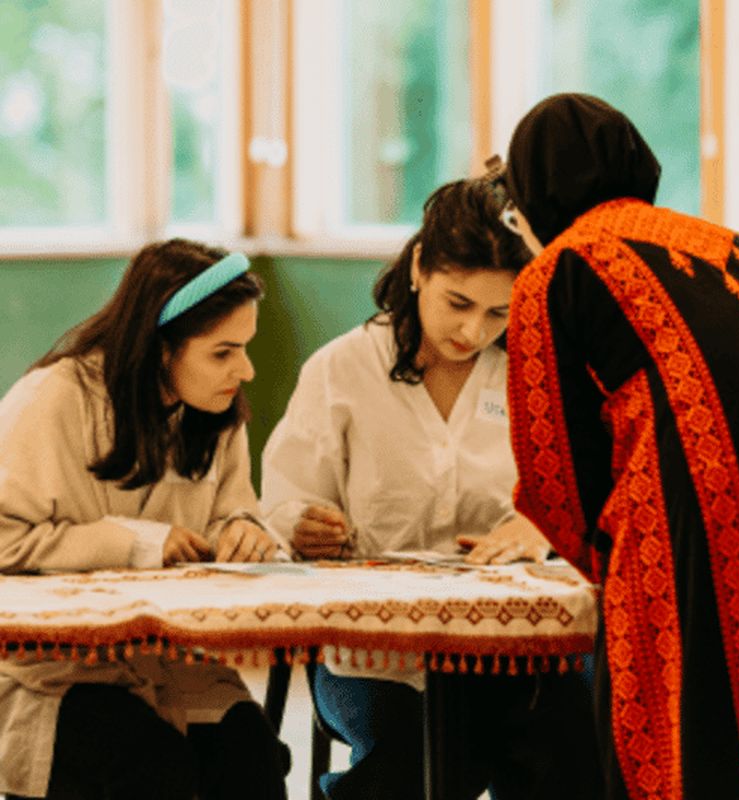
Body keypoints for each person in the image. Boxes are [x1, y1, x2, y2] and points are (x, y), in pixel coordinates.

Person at [502, 92, 739, 799]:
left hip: (687, 517)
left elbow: (553, 467)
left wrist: (602, 559)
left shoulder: (558, 269)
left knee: (680, 733)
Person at [260, 178, 599, 799]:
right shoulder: (342, 371)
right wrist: (298, 522)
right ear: (419, 267)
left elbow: (581, 497)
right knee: (423, 752)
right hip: (373, 652)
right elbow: (279, 504)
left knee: (568, 738)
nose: (474, 331)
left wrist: (539, 524)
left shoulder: (533, 374)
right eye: (458, 302)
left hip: (510, 643)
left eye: (500, 312)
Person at [0, 239, 289, 799]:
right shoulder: (55, 400)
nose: (245, 371)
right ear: (162, 348)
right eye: (223, 352)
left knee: (252, 759)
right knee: (156, 770)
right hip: (50, 674)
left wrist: (244, 531)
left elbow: (236, 510)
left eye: (246, 349)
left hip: (170, 664)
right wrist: (131, 542)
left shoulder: (216, 412)